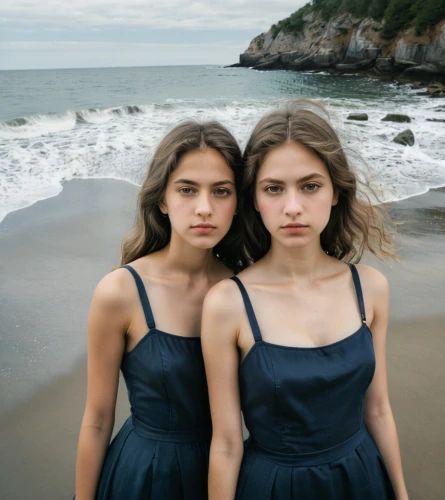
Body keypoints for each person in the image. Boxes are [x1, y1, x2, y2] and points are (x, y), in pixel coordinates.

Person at [201, 101, 408, 499]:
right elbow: (226, 443)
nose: (292, 207)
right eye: (274, 189)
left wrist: (401, 493)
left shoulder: (371, 288)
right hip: (274, 488)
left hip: (362, 479)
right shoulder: (227, 304)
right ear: (255, 200)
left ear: (334, 192)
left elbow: (378, 409)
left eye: (310, 186)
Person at [74, 120, 243, 500]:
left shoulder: (246, 290)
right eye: (187, 189)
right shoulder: (120, 292)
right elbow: (98, 421)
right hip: (143, 477)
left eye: (221, 191)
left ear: (238, 202)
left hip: (227, 475)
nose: (204, 208)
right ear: (162, 200)